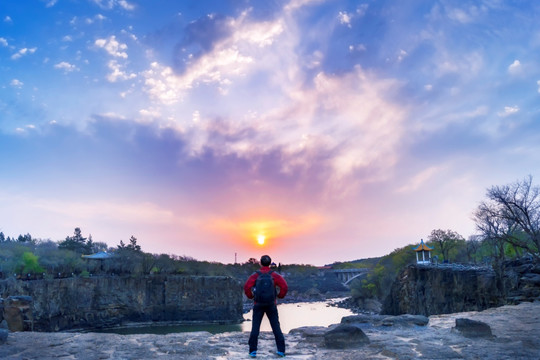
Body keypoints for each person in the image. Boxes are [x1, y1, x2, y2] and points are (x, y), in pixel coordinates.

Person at [244, 255, 288, 358]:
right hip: (271, 304)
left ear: (260, 263)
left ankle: (253, 351)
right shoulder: (274, 275)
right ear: (270, 263)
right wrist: (279, 296)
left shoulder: (255, 275)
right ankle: (281, 350)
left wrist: (251, 296)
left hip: (258, 304)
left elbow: (247, 287)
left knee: (255, 328)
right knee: (276, 327)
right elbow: (284, 286)